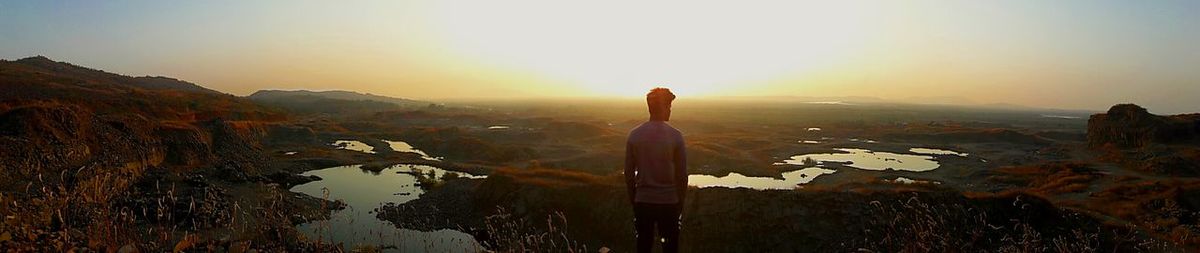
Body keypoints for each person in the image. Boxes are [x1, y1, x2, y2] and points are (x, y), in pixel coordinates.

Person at [624, 87, 687, 253]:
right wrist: (679, 204)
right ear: (664, 107)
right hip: (669, 203)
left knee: (643, 246)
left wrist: (634, 200)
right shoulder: (676, 136)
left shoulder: (634, 135)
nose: (670, 111)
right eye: (669, 107)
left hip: (643, 202)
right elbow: (682, 176)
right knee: (670, 247)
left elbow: (629, 175)